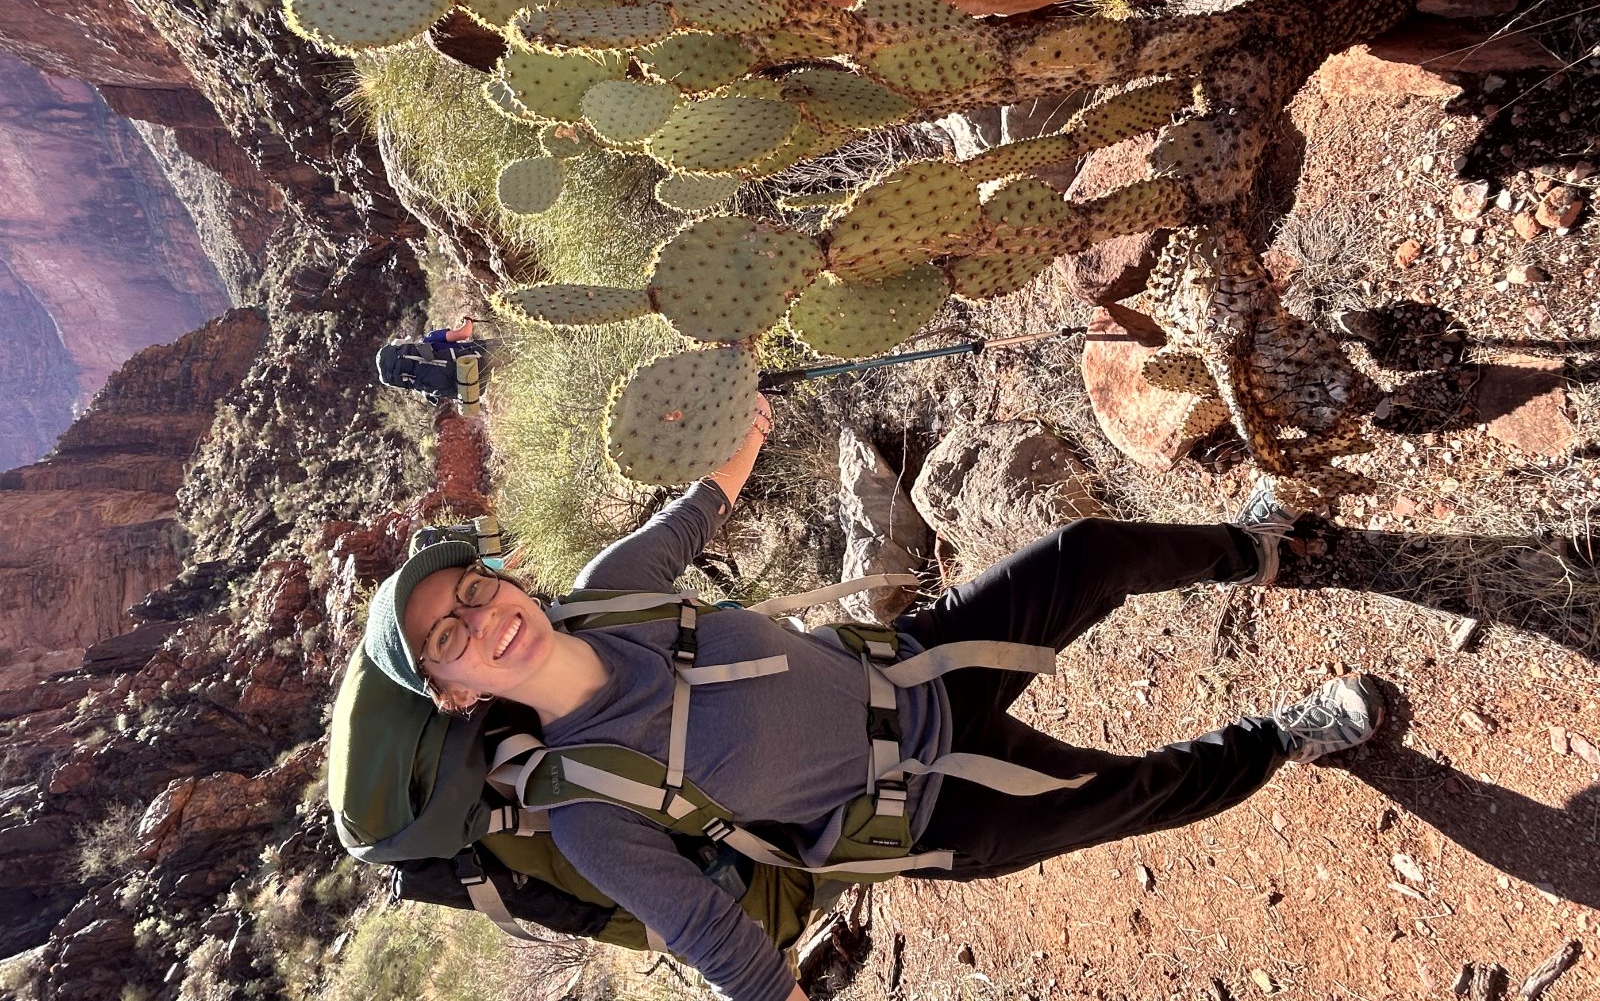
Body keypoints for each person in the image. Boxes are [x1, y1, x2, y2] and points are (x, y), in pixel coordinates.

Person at [362, 397, 1385, 1001]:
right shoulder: (587, 808)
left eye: (474, 589)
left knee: (1090, 552)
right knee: (1141, 792)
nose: (486, 618)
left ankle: (1257, 550)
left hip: (922, 665)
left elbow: (704, 500)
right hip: (928, 808)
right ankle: (1285, 739)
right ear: (456, 692)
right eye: (451, 637)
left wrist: (740, 404)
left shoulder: (611, 593)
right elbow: (722, 949)